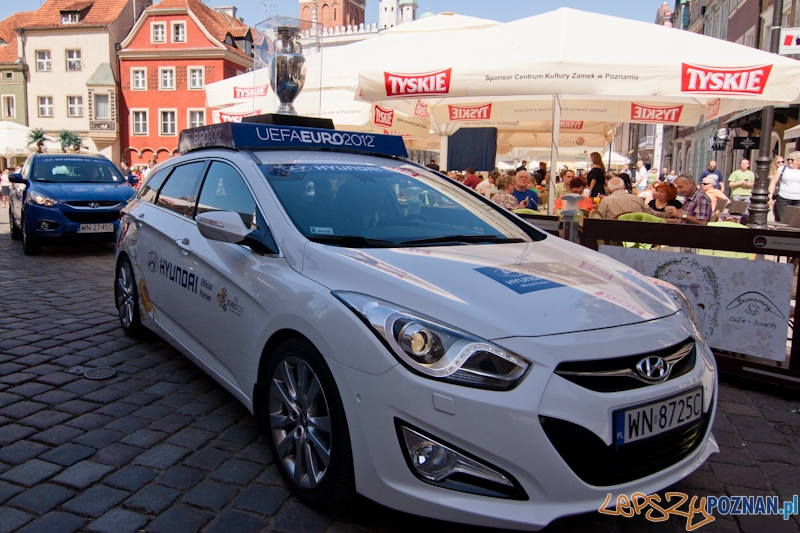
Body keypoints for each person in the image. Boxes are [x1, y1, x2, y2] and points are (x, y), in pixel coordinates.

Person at [773, 151, 800, 222]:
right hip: (783, 199)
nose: (789, 161)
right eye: (788, 159)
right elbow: (773, 183)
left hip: (798, 200)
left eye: (792, 160)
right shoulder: (783, 169)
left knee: (795, 221)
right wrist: (769, 197)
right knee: (782, 220)